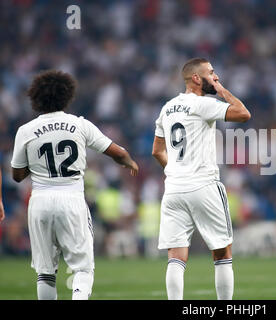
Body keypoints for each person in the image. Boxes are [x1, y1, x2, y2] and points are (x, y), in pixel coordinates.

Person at [10, 70, 139, 300]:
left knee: (46, 272)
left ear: (35, 98)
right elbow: (117, 152)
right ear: (67, 95)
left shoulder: (25, 131)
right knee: (83, 268)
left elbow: (17, 175)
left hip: (39, 200)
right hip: (72, 199)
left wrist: (37, 165)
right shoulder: (79, 125)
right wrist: (129, 162)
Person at [152, 57, 251, 300]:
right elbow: (243, 114)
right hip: (204, 185)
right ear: (196, 78)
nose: (215, 76)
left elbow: (157, 151)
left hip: (174, 188)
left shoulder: (167, 108)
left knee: (175, 256)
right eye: (211, 73)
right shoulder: (202, 104)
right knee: (222, 252)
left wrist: (175, 170)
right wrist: (221, 90)